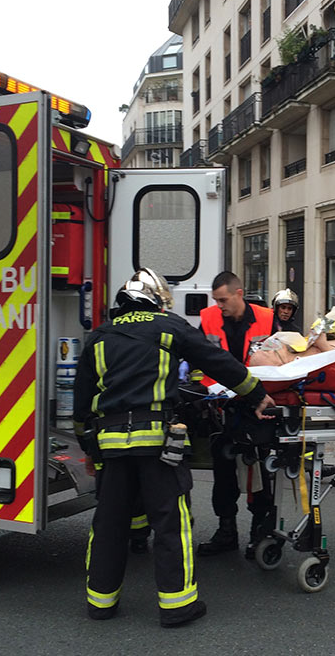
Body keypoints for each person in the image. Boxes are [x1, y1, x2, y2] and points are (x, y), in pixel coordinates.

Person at [73, 268, 274, 627]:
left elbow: (81, 403)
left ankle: (100, 604)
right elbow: (217, 363)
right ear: (156, 300)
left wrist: (90, 448)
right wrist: (256, 394)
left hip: (111, 445)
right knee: (170, 522)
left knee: (108, 524)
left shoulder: (100, 337)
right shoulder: (169, 326)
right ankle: (177, 606)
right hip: (156, 444)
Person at [196, 271, 278, 558]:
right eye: (216, 300)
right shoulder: (207, 318)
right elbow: (196, 359)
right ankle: (226, 531)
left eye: (223, 299)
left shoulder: (268, 318)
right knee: (223, 473)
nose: (219, 305)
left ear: (239, 293)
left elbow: (285, 356)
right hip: (222, 407)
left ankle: (261, 532)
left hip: (258, 405)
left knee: (261, 473)